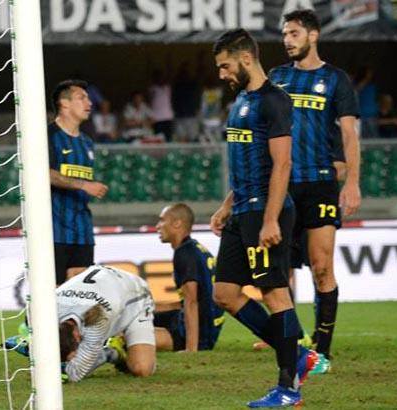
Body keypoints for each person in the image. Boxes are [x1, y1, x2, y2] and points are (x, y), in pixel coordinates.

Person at [209, 29, 317, 408]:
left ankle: (289, 388)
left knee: (274, 294)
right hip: (242, 210)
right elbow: (247, 161)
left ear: (246, 59)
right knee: (224, 294)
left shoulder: (274, 101)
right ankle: (298, 355)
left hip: (265, 212)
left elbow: (281, 164)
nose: (221, 74)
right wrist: (227, 204)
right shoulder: (241, 99)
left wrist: (271, 220)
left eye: (225, 66)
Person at [269, 9, 362, 374]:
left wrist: (352, 182)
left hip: (321, 183)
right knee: (280, 271)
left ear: (313, 35)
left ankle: (322, 350)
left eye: (294, 33)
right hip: (282, 185)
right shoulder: (277, 77)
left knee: (322, 267)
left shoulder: (336, 79)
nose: (287, 40)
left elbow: (349, 135)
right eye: (284, 34)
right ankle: (291, 342)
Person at [49, 80, 108, 285]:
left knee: (79, 292)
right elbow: (44, 174)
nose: (89, 103)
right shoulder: (48, 136)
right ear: (64, 103)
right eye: (82, 98)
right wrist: (84, 185)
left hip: (83, 231)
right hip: (53, 230)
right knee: (53, 293)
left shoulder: (87, 142)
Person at [57, 265, 156, 382]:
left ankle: (109, 352)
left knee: (142, 369)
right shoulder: (47, 310)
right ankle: (115, 348)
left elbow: (75, 373)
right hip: (102, 289)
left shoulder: (97, 318)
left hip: (136, 297)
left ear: (77, 336)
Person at [154, 203, 225, 352]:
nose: (157, 226)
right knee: (138, 318)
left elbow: (191, 302)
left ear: (177, 223)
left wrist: (191, 349)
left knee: (131, 334)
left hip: (197, 334)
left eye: (162, 220)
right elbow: (196, 299)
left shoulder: (185, 254)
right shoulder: (194, 248)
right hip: (205, 325)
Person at [148, 69, 175, 142]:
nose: (160, 79)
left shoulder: (167, 88)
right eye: (158, 77)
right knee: (158, 139)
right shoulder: (152, 89)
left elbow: (170, 77)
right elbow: (149, 100)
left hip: (168, 117)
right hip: (157, 118)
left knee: (168, 138)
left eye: (161, 77)